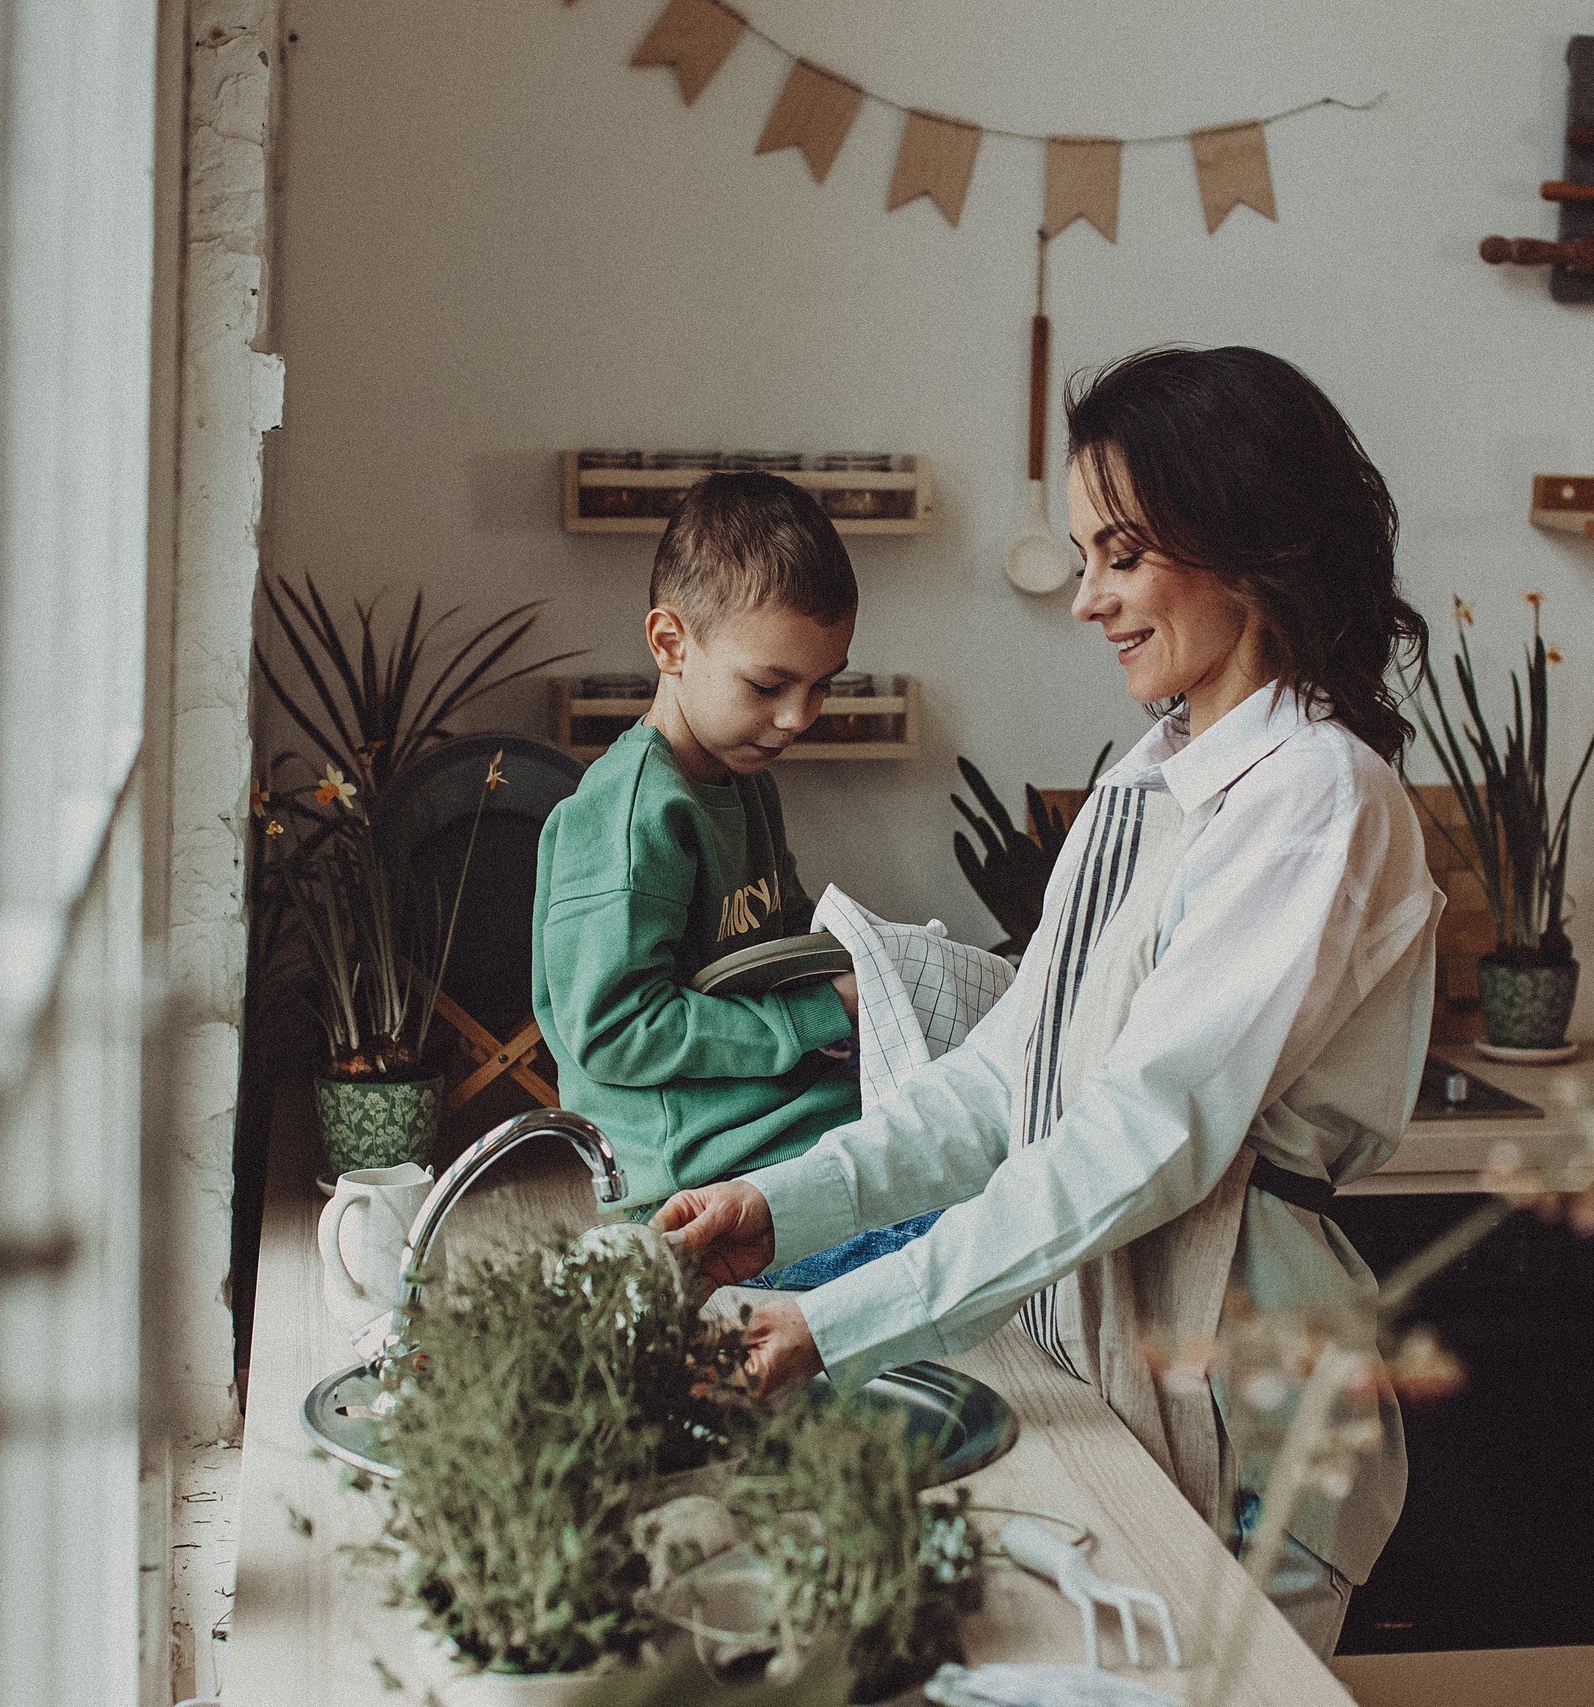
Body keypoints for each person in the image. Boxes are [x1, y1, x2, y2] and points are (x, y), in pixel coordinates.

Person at [658, 347, 1444, 1657]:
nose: (1088, 600)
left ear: (1246, 545)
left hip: (1250, 1416)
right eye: (1087, 555)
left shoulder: (1317, 797)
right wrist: (782, 1203)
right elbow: (1004, 1078)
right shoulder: (1151, 781)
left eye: (1122, 555)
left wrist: (839, 1318)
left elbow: (1140, 1134)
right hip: (1118, 1367)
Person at [530, 471, 867, 1209]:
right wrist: (823, 1013)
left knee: (971, 1141)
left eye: (821, 686)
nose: (796, 718)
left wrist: (878, 968)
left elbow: (778, 941)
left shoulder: (744, 778)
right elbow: (617, 1031)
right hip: (691, 1173)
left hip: (773, 1123)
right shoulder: (628, 816)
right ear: (671, 643)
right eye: (768, 685)